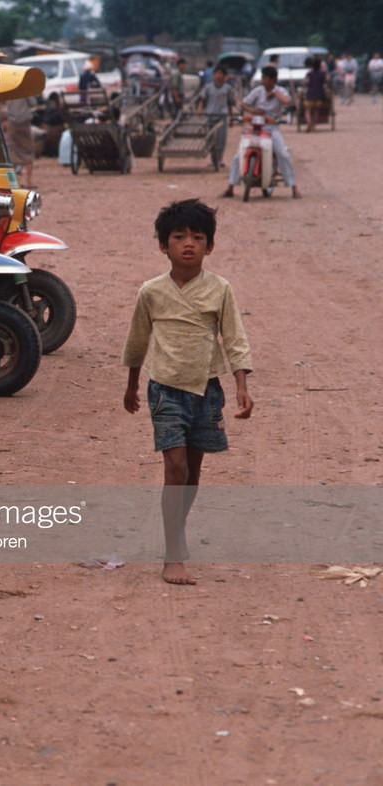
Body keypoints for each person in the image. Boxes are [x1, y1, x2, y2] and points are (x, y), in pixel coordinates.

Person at [122, 199, 253, 585]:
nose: (188, 244)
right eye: (179, 237)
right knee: (175, 467)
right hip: (163, 389)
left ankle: (176, 530)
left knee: (193, 473)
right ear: (164, 245)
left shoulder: (219, 290)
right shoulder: (152, 292)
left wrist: (242, 385)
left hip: (206, 391)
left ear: (209, 246)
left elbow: (234, 338)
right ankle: (173, 553)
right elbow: (137, 341)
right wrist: (131, 386)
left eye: (198, 237)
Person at [221, 65, 300, 199]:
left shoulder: (280, 91)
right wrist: (253, 111)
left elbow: (287, 101)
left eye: (266, 78)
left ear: (273, 79)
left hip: (272, 128)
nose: (263, 80)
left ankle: (294, 188)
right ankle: (230, 187)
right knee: (238, 156)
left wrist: (274, 94)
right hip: (256, 128)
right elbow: (244, 103)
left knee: (283, 155)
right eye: (263, 78)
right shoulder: (258, 91)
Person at [193, 65, 236, 161]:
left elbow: (229, 104)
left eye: (220, 74)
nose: (218, 76)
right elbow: (202, 100)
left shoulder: (227, 88)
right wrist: (199, 109)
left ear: (224, 76)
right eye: (216, 73)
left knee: (221, 139)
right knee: (211, 138)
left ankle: (219, 159)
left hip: (222, 116)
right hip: (210, 115)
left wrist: (231, 118)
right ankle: (214, 159)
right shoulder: (208, 87)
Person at [1, 94, 39, 188]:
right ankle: (28, 181)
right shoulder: (24, 90)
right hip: (23, 122)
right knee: (27, 150)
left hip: (11, 122)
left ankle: (15, 181)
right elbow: (33, 103)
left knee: (13, 150)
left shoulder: (9, 88)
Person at [302, 56, 329, 132]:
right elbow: (328, 80)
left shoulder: (309, 73)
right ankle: (313, 126)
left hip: (310, 94)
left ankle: (309, 124)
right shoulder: (323, 73)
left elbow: (307, 82)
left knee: (308, 110)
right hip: (319, 94)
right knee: (316, 111)